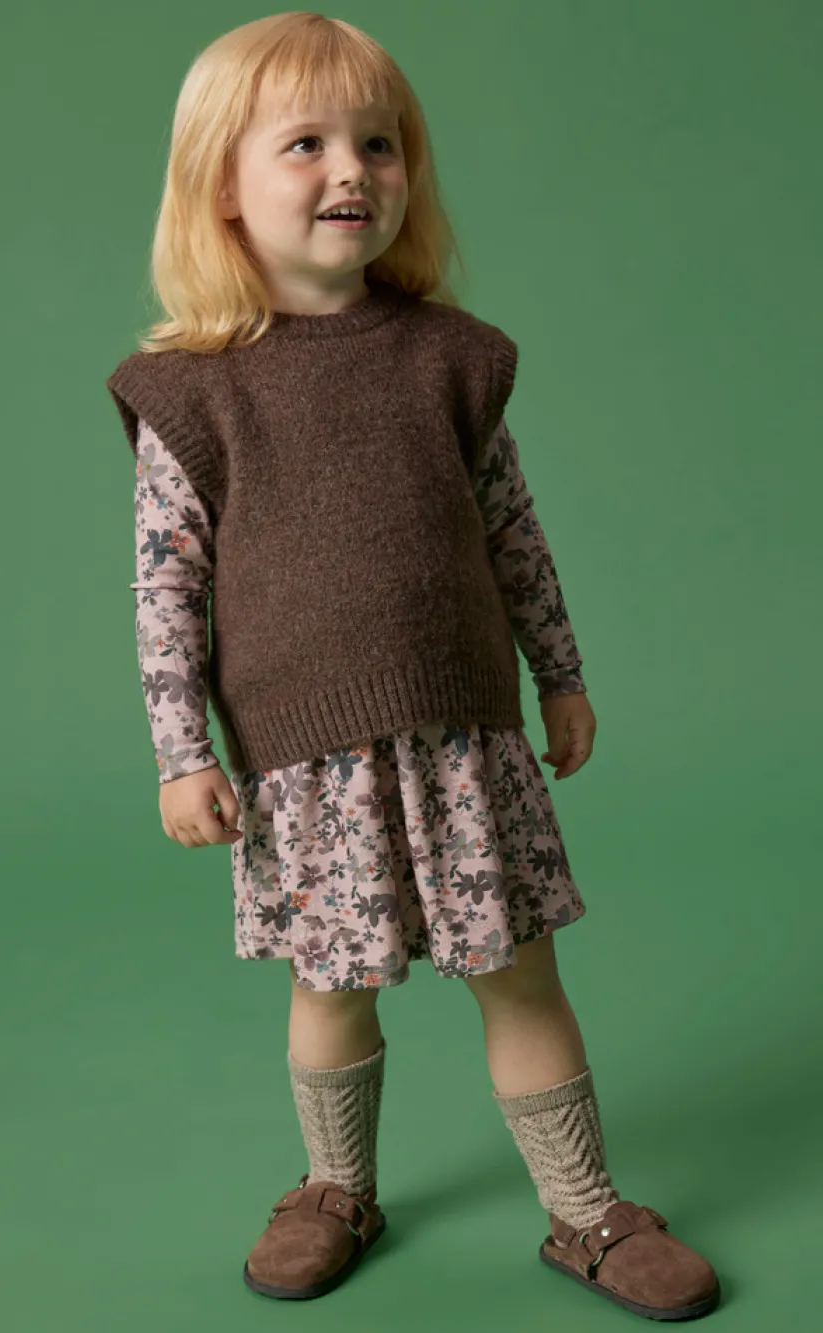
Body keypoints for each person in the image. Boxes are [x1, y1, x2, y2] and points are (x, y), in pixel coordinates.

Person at [104, 11, 721, 1319]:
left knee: (523, 979)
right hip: (307, 763)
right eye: (307, 144)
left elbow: (514, 537)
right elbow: (166, 587)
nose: (352, 171)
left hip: (466, 741)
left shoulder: (453, 358)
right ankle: (336, 1186)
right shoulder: (193, 391)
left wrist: (559, 675)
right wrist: (179, 753)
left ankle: (585, 1209)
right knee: (330, 989)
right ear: (224, 184)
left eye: (379, 145)